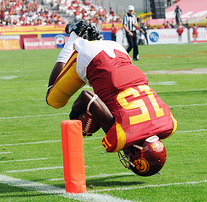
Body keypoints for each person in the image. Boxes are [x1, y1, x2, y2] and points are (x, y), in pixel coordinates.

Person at [46, 20, 178, 177]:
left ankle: (96, 39)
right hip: (93, 60)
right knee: (53, 99)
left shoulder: (169, 124)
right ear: (137, 152)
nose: (127, 157)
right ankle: (74, 35)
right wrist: (75, 121)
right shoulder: (121, 137)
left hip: (119, 52)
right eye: (131, 157)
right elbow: (87, 97)